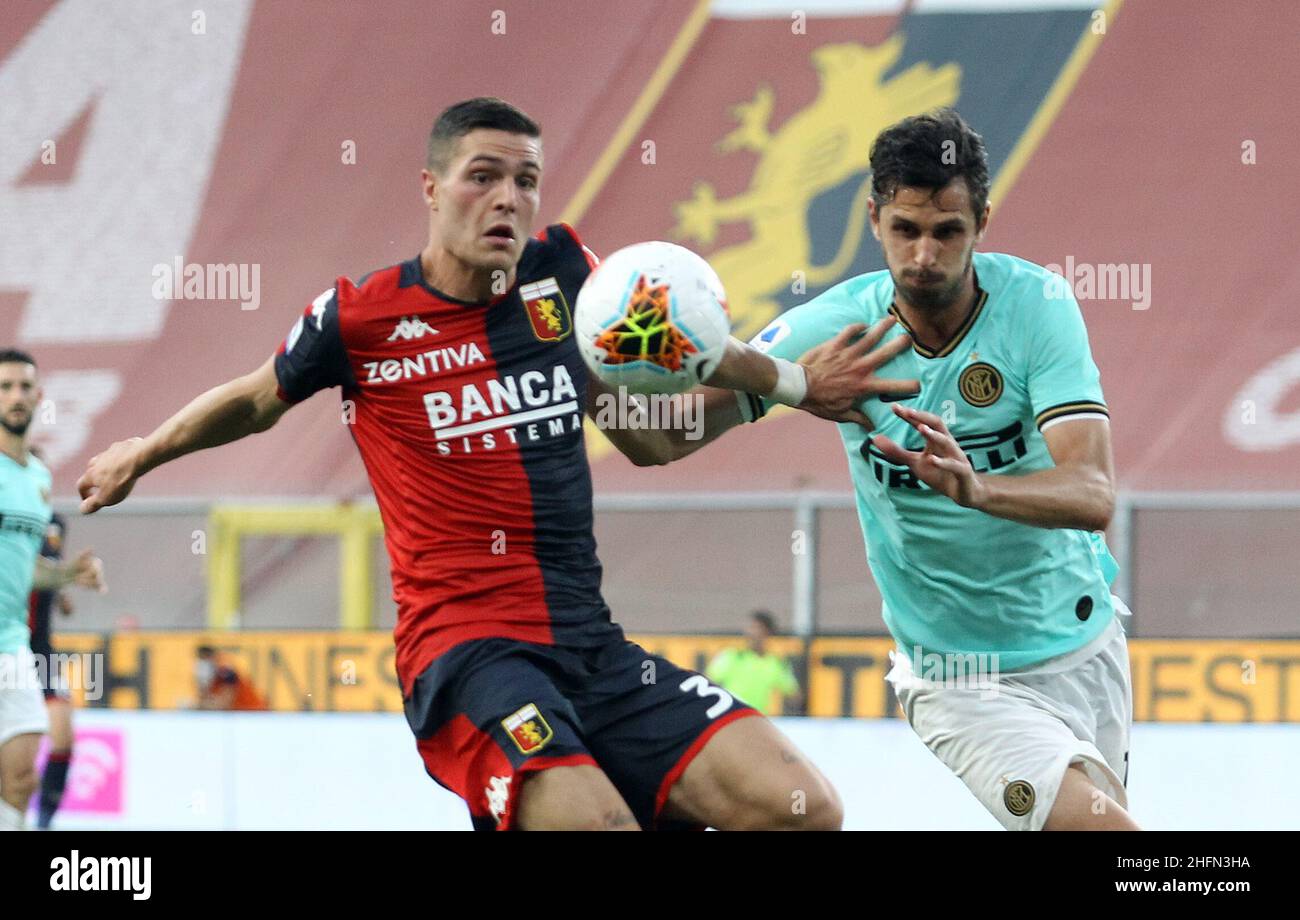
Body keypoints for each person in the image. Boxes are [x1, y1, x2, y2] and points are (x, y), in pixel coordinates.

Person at [76, 97, 916, 831]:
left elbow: (649, 434)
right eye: (484, 176)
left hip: (590, 647)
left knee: (799, 808)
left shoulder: (568, 281)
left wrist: (798, 385)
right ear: (432, 188)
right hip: (466, 654)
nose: (508, 198)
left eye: (526, 180)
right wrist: (142, 453)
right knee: (594, 824)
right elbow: (256, 400)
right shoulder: (359, 318)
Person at [645, 109, 1136, 831]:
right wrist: (789, 383)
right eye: (905, 230)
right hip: (960, 679)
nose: (924, 256)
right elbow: (664, 438)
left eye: (947, 231)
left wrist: (976, 488)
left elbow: (1093, 494)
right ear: (873, 218)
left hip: (1087, 643)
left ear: (983, 222)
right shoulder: (841, 330)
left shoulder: (1038, 307)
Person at [0, 350, 105, 831]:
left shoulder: (38, 482)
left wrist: (67, 575)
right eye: (4, 387)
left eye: (24, 387)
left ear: (38, 397)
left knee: (21, 776)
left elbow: (25, 572)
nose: (15, 397)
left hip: (13, 649)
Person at [25, 500, 77, 830]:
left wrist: (61, 590)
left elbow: (49, 576)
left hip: (42, 652)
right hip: (9, 649)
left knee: (62, 737)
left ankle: (45, 819)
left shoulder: (54, 523)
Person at [706, 611, 801, 716]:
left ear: (768, 632)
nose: (752, 632)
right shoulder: (732, 656)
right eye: (750, 628)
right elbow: (707, 682)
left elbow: (793, 694)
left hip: (756, 720)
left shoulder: (775, 663)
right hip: (729, 718)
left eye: (757, 628)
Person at [194, 645, 268, 711]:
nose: (202, 665)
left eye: (204, 659)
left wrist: (200, 707)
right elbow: (208, 699)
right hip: (243, 714)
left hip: (253, 712)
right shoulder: (213, 679)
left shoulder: (225, 672)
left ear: (212, 658)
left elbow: (225, 703)